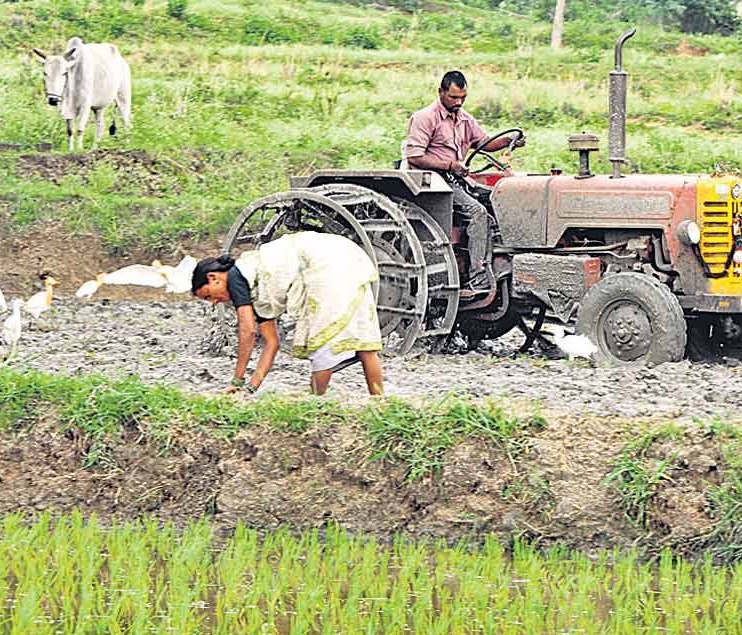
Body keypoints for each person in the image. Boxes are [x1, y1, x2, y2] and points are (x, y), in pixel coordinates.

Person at [191, 231, 385, 397]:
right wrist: (250, 388)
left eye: (209, 296)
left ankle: (316, 401)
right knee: (363, 343)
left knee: (321, 342)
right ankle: (379, 401)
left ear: (213, 278)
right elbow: (272, 343)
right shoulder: (255, 284)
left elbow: (247, 331)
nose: (215, 302)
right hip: (345, 255)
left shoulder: (236, 277)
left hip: (324, 265)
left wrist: (237, 381)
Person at [404, 70, 525, 292]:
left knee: (499, 199)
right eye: (453, 97)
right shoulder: (425, 118)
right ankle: (478, 277)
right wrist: (450, 165)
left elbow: (484, 143)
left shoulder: (465, 119)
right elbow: (415, 156)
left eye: (463, 98)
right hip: (434, 182)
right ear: (441, 92)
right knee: (477, 212)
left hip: (457, 179)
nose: (458, 102)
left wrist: (509, 140)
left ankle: (503, 261)